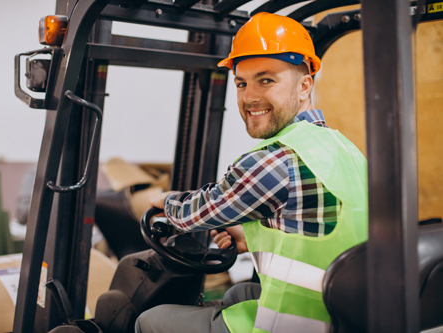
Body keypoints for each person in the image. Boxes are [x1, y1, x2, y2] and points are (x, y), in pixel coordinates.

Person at [135, 12, 368, 333]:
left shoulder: (276, 158)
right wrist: (251, 238)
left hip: (299, 325)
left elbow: (195, 214)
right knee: (238, 292)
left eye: (266, 79)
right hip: (342, 314)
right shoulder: (345, 148)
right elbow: (321, 228)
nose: (249, 97)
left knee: (149, 321)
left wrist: (165, 200)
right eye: (242, 83)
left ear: (304, 86)